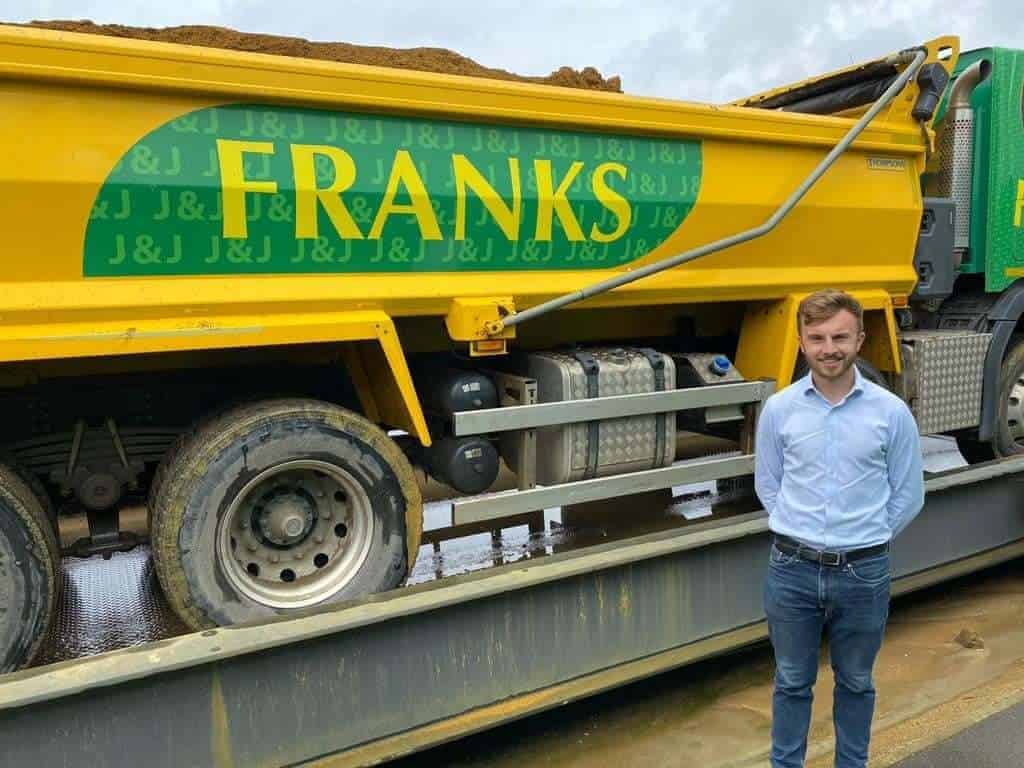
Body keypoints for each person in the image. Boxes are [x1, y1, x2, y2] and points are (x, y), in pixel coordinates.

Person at [754, 288, 925, 768]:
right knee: (791, 681)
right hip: (791, 570)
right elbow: (769, 485)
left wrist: (863, 536)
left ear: (860, 340)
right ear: (802, 342)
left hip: (864, 573)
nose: (830, 347)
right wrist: (802, 530)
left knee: (855, 682)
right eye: (818, 337)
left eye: (840, 337)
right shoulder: (780, 410)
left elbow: (909, 494)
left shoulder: (890, 413)